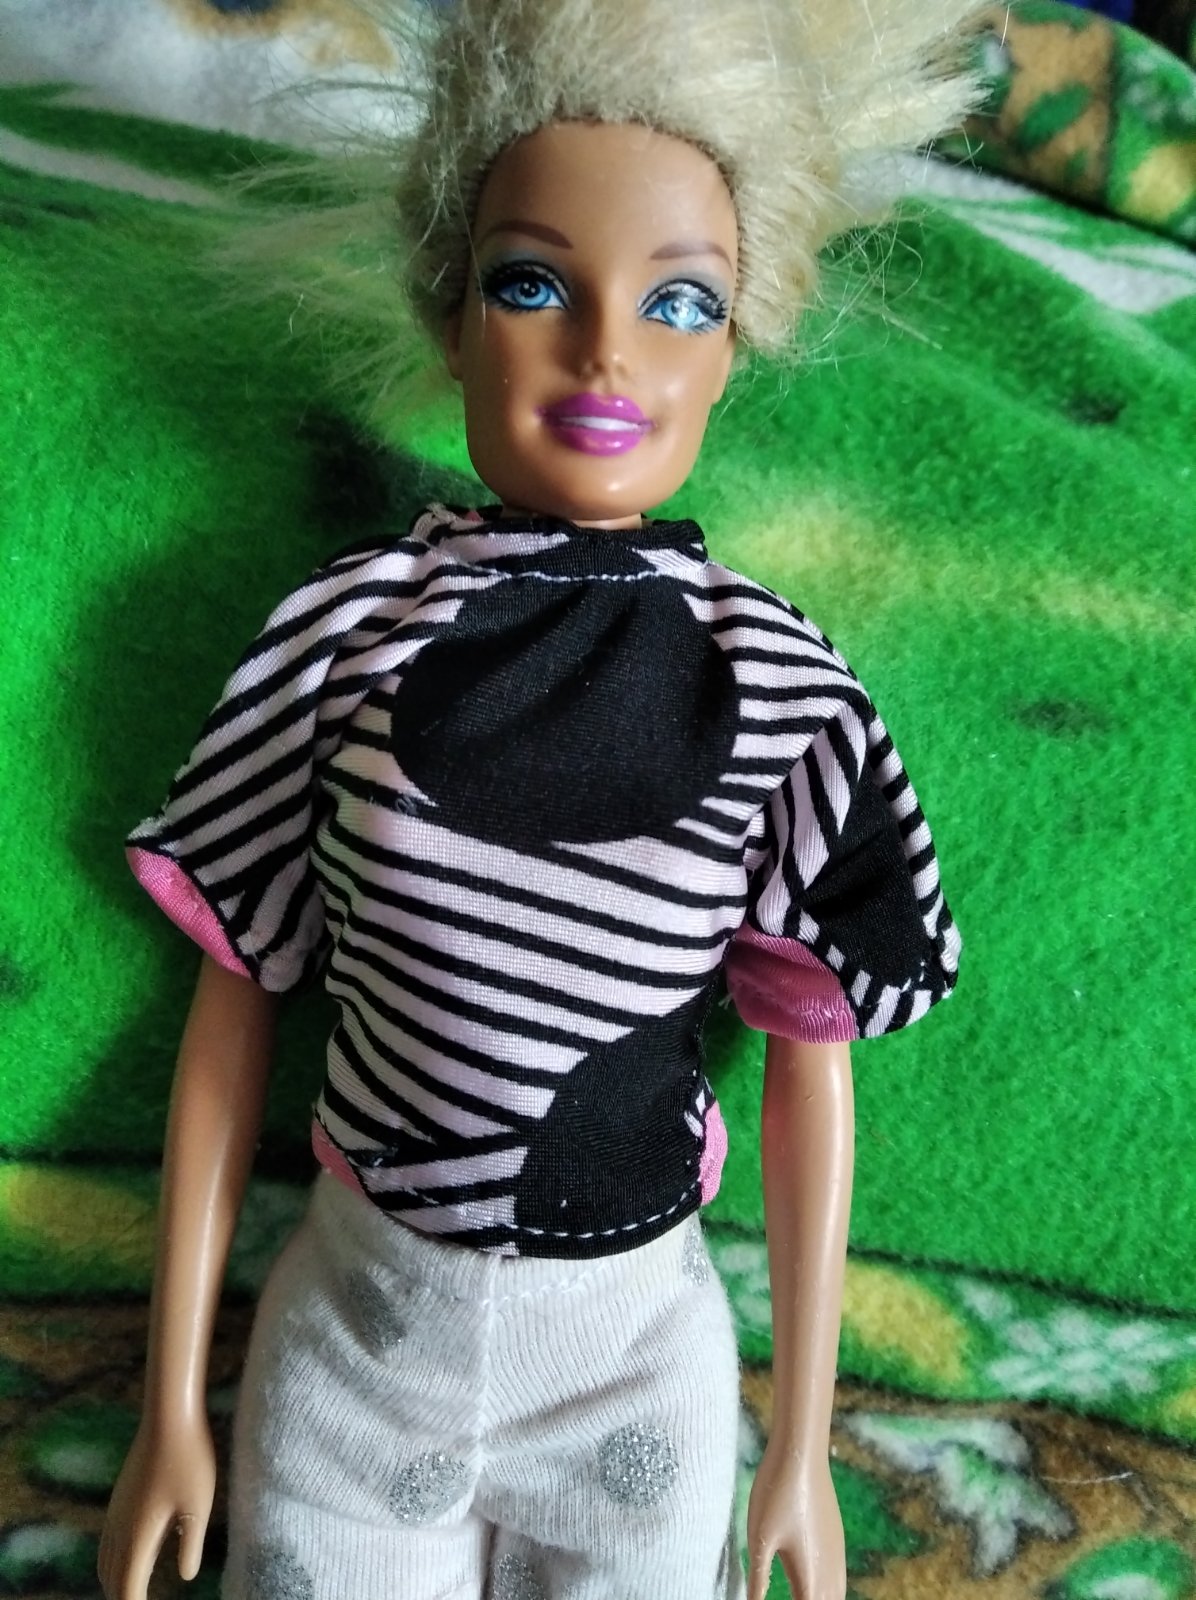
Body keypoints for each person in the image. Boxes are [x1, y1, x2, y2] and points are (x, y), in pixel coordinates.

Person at [98, 3, 979, 1597]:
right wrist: (172, 1407)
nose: (607, 353)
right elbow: (236, 1000)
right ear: (451, 312)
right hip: (358, 1352)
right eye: (531, 283)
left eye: (681, 301)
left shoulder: (781, 689)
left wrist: (797, 1443)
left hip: (633, 1374)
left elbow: (812, 1061)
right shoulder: (341, 643)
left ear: (737, 341)